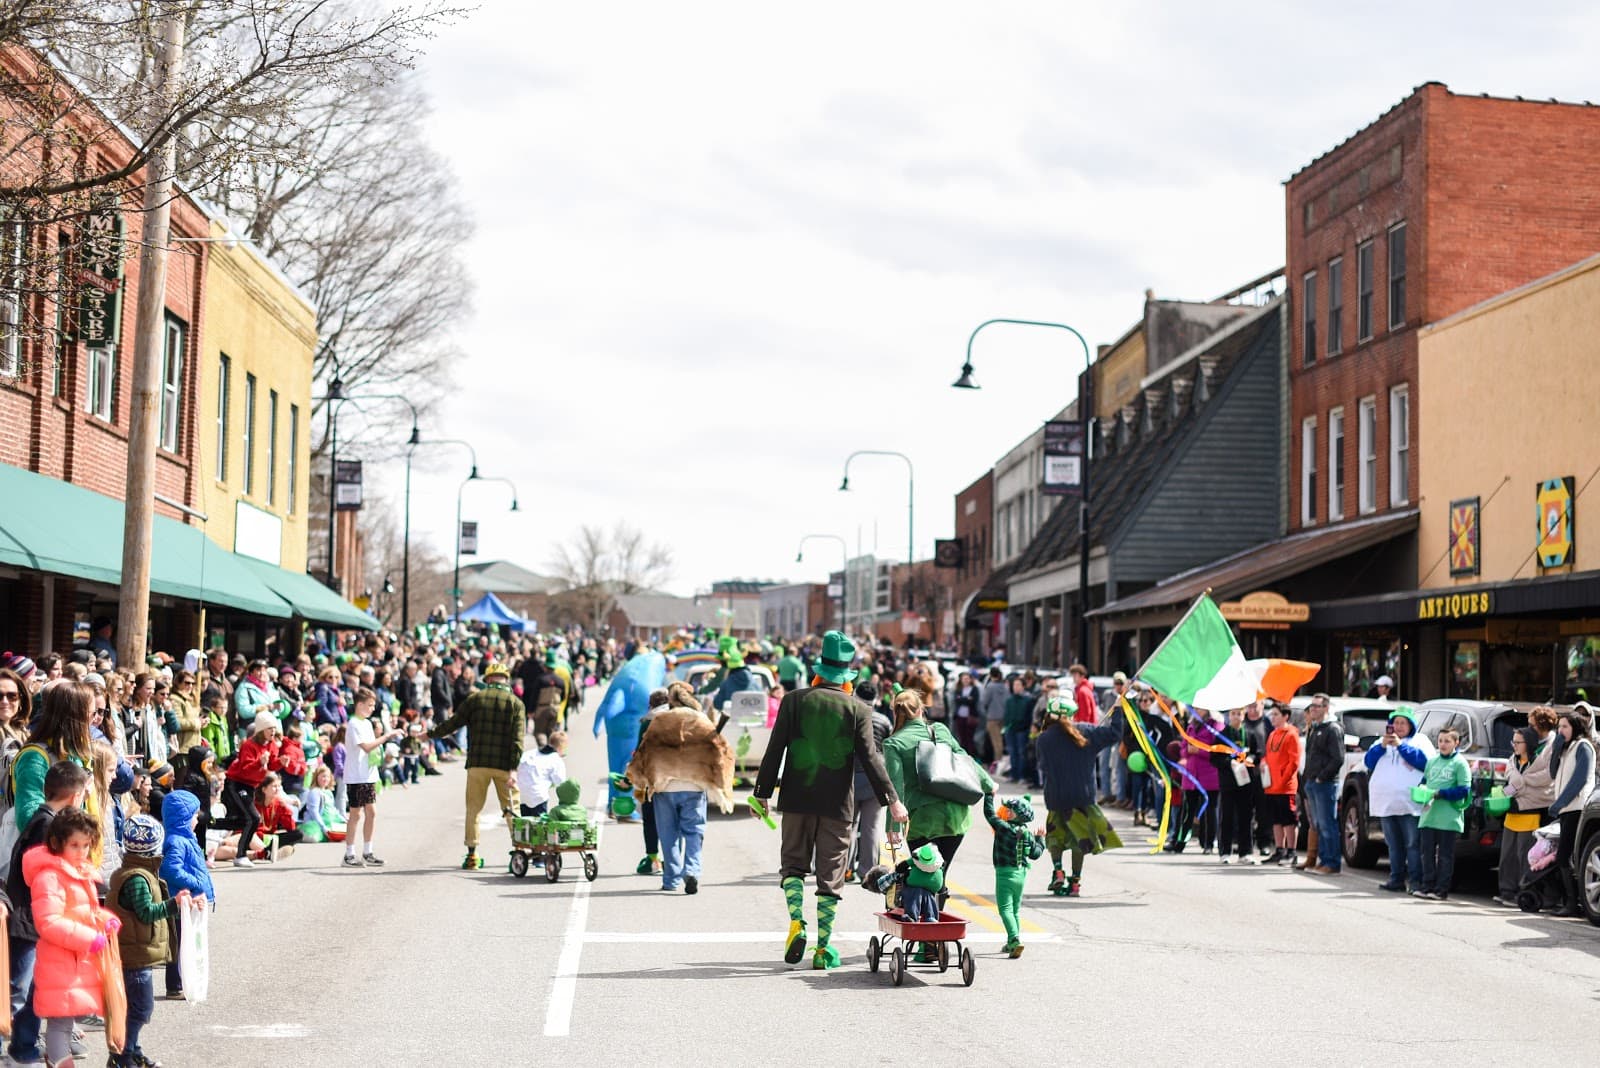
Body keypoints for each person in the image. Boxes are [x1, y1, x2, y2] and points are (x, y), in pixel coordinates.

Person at [752, 631, 905, 971]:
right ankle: (822, 948)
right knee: (831, 874)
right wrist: (892, 800)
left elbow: (775, 750)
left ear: (818, 671)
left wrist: (762, 793)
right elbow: (871, 759)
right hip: (837, 805)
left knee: (793, 866)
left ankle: (796, 921)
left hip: (796, 799)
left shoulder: (793, 701)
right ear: (847, 675)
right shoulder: (857, 709)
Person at [6, 761, 90, 1067]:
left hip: (32, 916)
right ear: (75, 796)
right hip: (28, 917)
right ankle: (18, 1048)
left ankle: (24, 1047)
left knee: (33, 989)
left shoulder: (44, 820)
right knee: (19, 989)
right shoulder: (47, 826)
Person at [24, 805, 118, 1068]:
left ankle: (56, 1059)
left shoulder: (79, 872)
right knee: (60, 1020)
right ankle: (58, 1060)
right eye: (74, 845)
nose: (81, 851)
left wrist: (106, 920)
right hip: (59, 959)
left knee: (66, 1018)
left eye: (86, 845)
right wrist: (89, 938)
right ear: (57, 843)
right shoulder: (50, 877)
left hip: (76, 959)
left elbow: (85, 911)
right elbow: (49, 922)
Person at [625, 683, 735, 894]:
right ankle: (692, 870)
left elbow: (644, 751)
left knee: (668, 835)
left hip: (664, 786)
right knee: (693, 832)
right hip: (694, 785)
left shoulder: (660, 721)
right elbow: (719, 749)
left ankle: (671, 879)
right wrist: (718, 782)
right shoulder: (701, 721)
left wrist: (638, 778)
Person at [882, 687, 993, 885]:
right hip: (956, 817)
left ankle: (929, 904)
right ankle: (938, 901)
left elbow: (894, 786)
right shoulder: (940, 729)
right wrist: (988, 784)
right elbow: (964, 758)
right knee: (940, 875)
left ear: (895, 712)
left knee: (924, 876)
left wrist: (893, 827)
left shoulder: (893, 743)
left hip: (923, 820)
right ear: (920, 710)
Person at [108, 814, 190, 1068]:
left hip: (136, 952)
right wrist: (173, 905)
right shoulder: (137, 878)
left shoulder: (137, 872)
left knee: (135, 1008)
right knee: (141, 1009)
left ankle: (132, 1051)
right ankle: (123, 1056)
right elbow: (145, 912)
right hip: (134, 956)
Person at [428, 661, 523, 870]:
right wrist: (514, 769)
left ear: (487, 679)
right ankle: (519, 852)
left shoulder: (475, 699)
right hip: (504, 766)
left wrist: (428, 734)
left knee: (473, 809)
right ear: (506, 680)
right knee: (512, 809)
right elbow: (517, 741)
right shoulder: (515, 703)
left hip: (478, 763)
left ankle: (472, 855)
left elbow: (452, 724)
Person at [1034, 694, 1124, 897]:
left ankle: (1058, 871)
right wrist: (1117, 710)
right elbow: (1115, 733)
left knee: (1055, 836)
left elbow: (1043, 767)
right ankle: (1075, 883)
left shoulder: (1043, 739)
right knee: (1079, 838)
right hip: (1082, 796)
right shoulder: (1086, 732)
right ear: (1072, 714)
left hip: (1056, 796)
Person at [1363, 707, 1434, 894]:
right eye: (1396, 722)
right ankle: (1396, 879)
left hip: (1410, 804)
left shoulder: (1420, 741)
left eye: (1403, 723)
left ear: (1411, 725)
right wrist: (1382, 746)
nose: (1399, 726)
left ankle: (1416, 881)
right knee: (1393, 845)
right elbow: (1368, 762)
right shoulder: (1380, 742)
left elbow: (1425, 763)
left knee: (1412, 844)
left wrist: (1401, 746)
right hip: (1386, 802)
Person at [344, 688, 404, 869]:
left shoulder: (367, 723)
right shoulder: (354, 723)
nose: (372, 708)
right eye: (369, 705)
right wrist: (387, 736)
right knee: (355, 814)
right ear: (359, 704)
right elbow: (366, 747)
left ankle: (367, 852)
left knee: (371, 813)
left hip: (368, 774)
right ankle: (349, 854)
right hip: (356, 775)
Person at [983, 793, 1045, 958]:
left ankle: (1014, 939)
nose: (1007, 812)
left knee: (1005, 909)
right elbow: (1035, 854)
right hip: (1021, 875)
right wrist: (1040, 839)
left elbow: (989, 814)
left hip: (1004, 874)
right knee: (1015, 910)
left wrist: (988, 795)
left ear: (1017, 815)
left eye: (1010, 810)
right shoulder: (1027, 833)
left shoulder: (1004, 828)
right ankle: (1012, 942)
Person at [1547, 706, 1595, 917]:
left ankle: (1572, 903)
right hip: (1566, 809)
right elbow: (1552, 773)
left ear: (1575, 727)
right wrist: (1556, 750)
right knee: (1564, 856)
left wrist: (1560, 802)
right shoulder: (1567, 749)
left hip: (1576, 808)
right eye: (1559, 727)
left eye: (1565, 727)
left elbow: (1580, 779)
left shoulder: (1583, 746)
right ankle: (1570, 901)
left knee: (1565, 856)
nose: (1560, 731)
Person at [223, 712, 286, 869]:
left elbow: (270, 765)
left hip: (251, 785)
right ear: (261, 730)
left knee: (244, 819)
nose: (273, 731)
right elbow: (245, 769)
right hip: (236, 783)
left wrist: (280, 762)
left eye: (274, 728)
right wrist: (259, 762)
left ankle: (238, 851)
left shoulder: (272, 744)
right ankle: (241, 855)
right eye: (269, 728)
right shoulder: (248, 745)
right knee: (253, 818)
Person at [1414, 726, 1471, 900]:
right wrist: (1420, 791)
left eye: (1447, 741)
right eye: (1440, 741)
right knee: (1427, 854)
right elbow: (1424, 782)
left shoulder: (1460, 763)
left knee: (1445, 856)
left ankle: (1441, 889)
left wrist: (1441, 793)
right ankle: (1427, 886)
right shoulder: (1432, 761)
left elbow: (1464, 790)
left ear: (1456, 743)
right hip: (1429, 815)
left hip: (1448, 818)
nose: (1443, 744)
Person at [1497, 725, 1549, 906]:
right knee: (1507, 855)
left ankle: (1523, 892)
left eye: (1518, 742)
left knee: (1524, 856)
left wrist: (1520, 785)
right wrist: (1510, 791)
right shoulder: (1512, 761)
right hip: (1512, 814)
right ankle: (1506, 891)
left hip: (1530, 815)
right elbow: (1511, 787)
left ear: (1529, 743)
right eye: (1514, 742)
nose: (1515, 746)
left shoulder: (1540, 762)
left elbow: (1543, 788)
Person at [846, 679, 893, 882]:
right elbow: (888, 747)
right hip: (876, 778)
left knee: (848, 825)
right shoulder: (884, 720)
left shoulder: (849, 717)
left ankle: (845, 869)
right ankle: (867, 872)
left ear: (855, 695)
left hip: (850, 777)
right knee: (871, 827)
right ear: (876, 699)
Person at [1213, 707, 1262, 864]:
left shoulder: (1249, 733)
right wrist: (1229, 762)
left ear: (1243, 715)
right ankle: (1225, 851)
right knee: (1227, 816)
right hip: (1228, 781)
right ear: (1229, 715)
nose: (1236, 717)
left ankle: (1245, 852)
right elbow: (1214, 758)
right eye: (1233, 714)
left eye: (1239, 714)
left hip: (1245, 781)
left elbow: (1256, 752)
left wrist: (1252, 759)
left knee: (1245, 817)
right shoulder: (1221, 735)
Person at [1301, 694, 1344, 874]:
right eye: (1312, 706)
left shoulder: (1332, 729)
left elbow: (1338, 758)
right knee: (1319, 824)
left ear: (1326, 708)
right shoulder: (1315, 728)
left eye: (1317, 706)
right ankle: (1322, 860)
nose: (1313, 709)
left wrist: (1322, 777)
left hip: (1325, 784)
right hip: (1312, 782)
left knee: (1327, 824)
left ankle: (1332, 863)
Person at [1263, 702, 1302, 865]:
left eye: (1276, 714)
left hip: (1285, 787)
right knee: (1276, 819)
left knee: (1289, 820)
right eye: (1272, 714)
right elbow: (1268, 754)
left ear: (1285, 716)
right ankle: (1279, 850)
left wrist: (1283, 779)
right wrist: (1263, 763)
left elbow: (1294, 762)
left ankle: (1291, 851)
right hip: (1272, 785)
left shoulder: (1291, 734)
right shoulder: (1273, 734)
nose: (1272, 718)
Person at [1181, 708, 1223, 855]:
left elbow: (1218, 750)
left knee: (1210, 810)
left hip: (1209, 774)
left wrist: (1200, 751)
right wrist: (1187, 751)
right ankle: (1180, 842)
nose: (1197, 710)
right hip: (1192, 774)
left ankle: (1208, 843)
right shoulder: (1191, 725)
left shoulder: (1216, 725)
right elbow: (1183, 747)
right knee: (1188, 810)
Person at [516, 731, 568, 819]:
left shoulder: (529, 753)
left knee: (524, 823)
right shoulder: (556, 760)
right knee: (539, 825)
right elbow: (561, 782)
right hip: (538, 798)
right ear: (561, 747)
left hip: (521, 795)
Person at [253, 772, 303, 862]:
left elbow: (291, 828)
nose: (278, 789)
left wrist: (285, 809)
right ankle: (269, 851)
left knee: (298, 834)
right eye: (274, 786)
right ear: (264, 789)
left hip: (271, 838)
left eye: (279, 786)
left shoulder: (279, 803)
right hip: (256, 837)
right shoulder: (254, 804)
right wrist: (264, 837)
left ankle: (271, 850)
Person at [1002, 676, 1034, 783]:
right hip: (1010, 729)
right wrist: (1006, 726)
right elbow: (1006, 715)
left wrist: (1025, 727)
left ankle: (1022, 776)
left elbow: (1029, 716)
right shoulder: (1009, 700)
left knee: (1021, 753)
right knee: (1012, 752)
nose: (1016, 687)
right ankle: (1013, 775)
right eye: (1014, 685)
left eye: (1018, 685)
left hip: (1022, 730)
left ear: (1023, 686)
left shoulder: (1028, 700)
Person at [979, 667, 1008, 769]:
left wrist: (985, 711)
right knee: (1000, 740)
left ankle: (996, 764)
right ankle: (998, 762)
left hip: (992, 717)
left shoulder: (990, 686)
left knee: (996, 742)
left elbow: (984, 701)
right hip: (1003, 717)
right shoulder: (1005, 686)